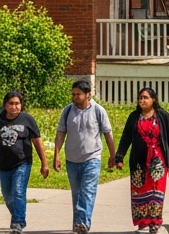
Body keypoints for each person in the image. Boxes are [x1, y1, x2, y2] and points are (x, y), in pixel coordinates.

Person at [112, 87, 169, 233]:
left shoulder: (162, 116)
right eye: (140, 97)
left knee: (156, 191)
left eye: (145, 97)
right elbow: (126, 138)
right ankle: (142, 221)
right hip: (138, 160)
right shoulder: (134, 117)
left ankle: (155, 221)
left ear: (153, 99)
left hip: (158, 161)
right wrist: (119, 157)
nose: (142, 100)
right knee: (139, 191)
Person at [54, 80, 115, 234]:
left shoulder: (98, 110)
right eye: (73, 94)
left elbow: (108, 133)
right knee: (77, 194)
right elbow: (61, 133)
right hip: (72, 159)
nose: (74, 97)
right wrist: (56, 155)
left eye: (78, 94)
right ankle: (78, 225)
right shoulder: (67, 111)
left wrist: (113, 155)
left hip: (92, 158)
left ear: (88, 95)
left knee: (87, 192)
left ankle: (83, 223)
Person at [0, 90, 49, 234]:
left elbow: (37, 142)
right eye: (11, 104)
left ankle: (18, 222)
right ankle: (18, 216)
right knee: (8, 197)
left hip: (22, 163)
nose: (14, 107)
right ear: (5, 105)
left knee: (18, 192)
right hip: (2, 165)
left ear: (21, 105)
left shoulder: (27, 119)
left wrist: (44, 163)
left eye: (17, 104)